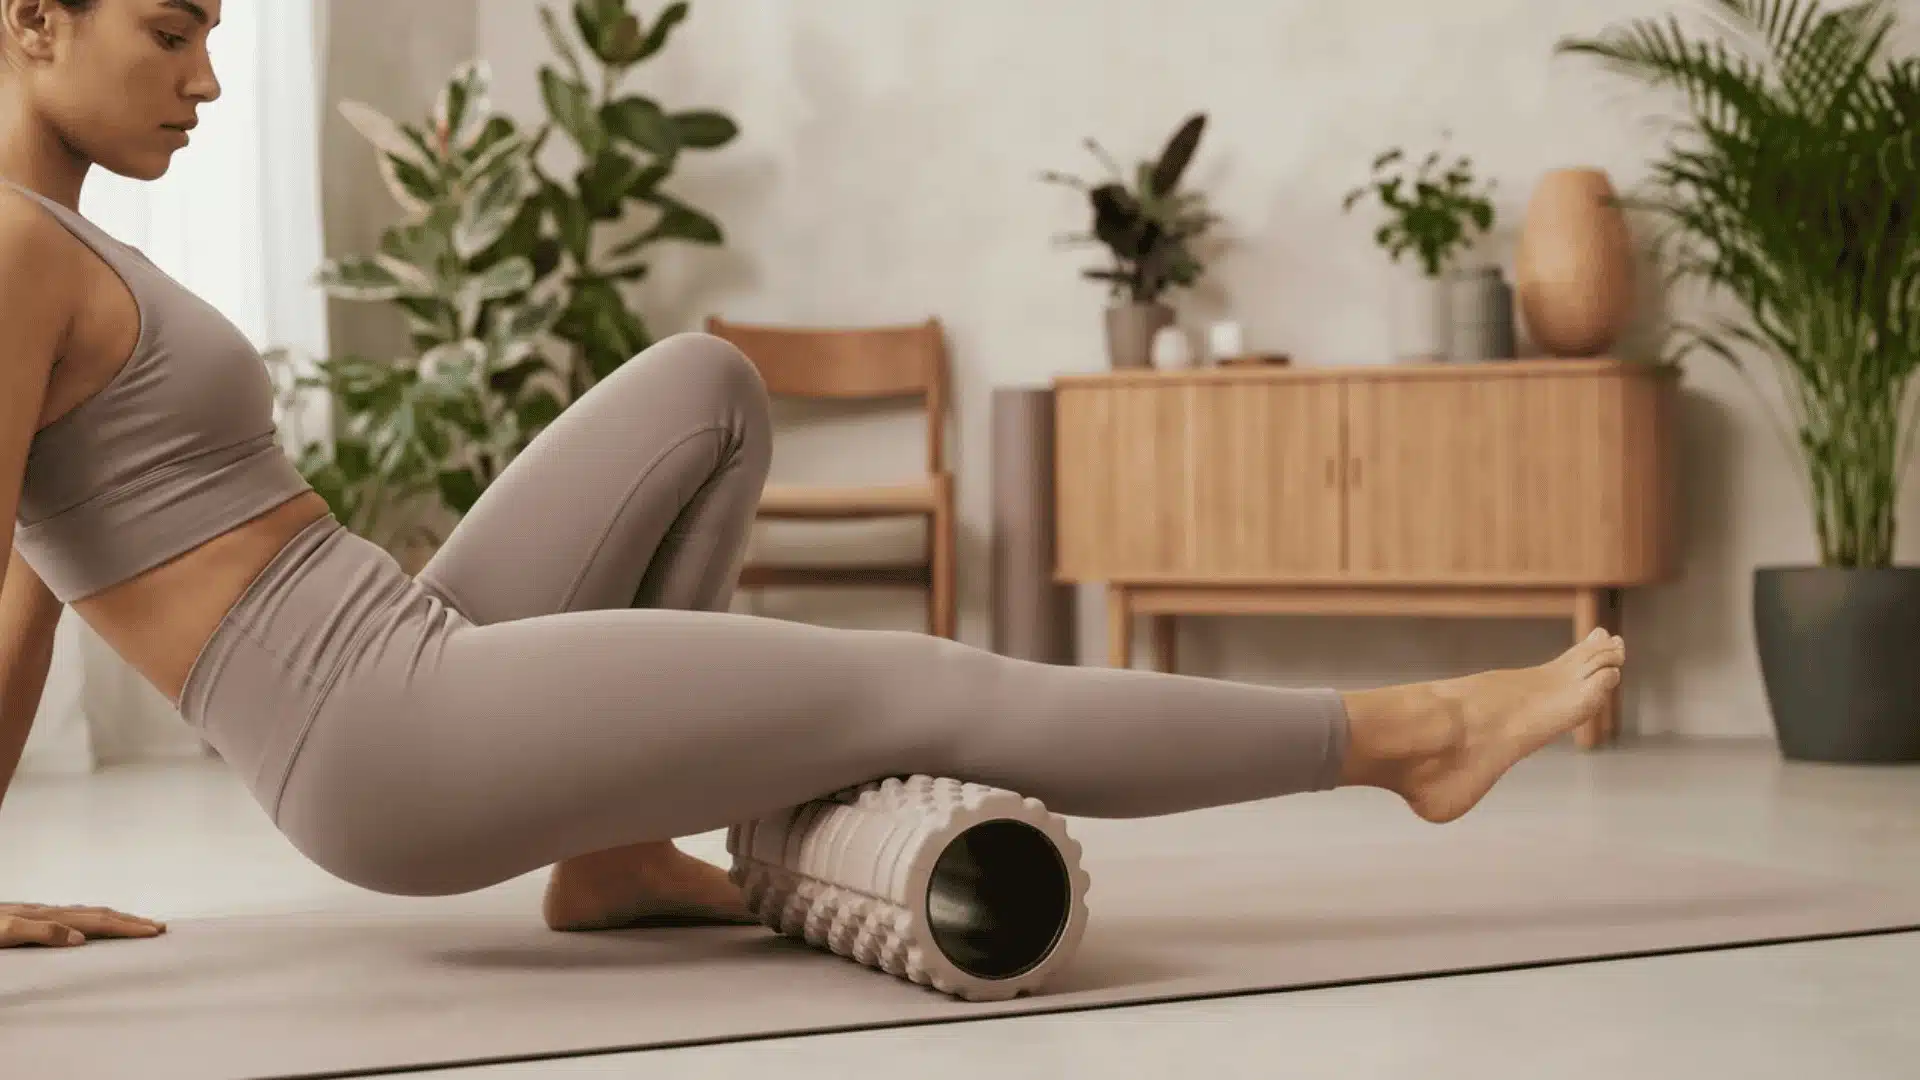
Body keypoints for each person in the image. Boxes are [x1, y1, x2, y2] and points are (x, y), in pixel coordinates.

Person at [0, 0, 1625, 951]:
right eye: (170, 29)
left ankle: (613, 857)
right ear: (31, 21)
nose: (205, 77)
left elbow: (30, 577)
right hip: (373, 737)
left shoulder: (58, 240)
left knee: (704, 382)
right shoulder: (9, 246)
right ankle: (1409, 736)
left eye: (215, 33)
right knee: (925, 683)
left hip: (394, 652)